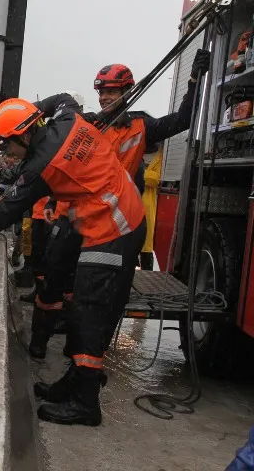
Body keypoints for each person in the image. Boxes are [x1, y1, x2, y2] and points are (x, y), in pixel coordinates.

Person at [0, 94, 146, 426]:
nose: (7, 152)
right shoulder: (69, 119)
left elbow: (9, 207)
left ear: (24, 135)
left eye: (8, 145)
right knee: (83, 307)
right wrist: (37, 111)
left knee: (87, 312)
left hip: (113, 226)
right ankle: (76, 382)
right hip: (119, 214)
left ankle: (86, 404)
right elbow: (65, 99)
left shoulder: (42, 165)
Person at [31, 50, 211, 358]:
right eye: (101, 92)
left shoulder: (141, 126)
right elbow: (64, 165)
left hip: (107, 225)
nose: (103, 98)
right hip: (73, 216)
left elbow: (181, 120)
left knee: (88, 293)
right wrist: (50, 198)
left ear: (127, 91)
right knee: (52, 280)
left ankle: (76, 358)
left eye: (111, 91)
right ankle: (38, 341)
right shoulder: (88, 125)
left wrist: (194, 80)